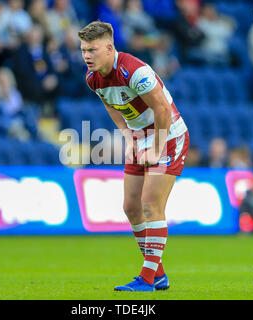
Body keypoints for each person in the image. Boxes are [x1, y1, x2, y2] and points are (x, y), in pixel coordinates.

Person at [79, 21, 189, 292]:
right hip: (141, 136)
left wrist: (156, 147)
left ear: (109, 48)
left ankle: (147, 279)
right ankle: (159, 274)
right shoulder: (93, 79)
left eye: (92, 50)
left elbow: (163, 109)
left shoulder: (135, 71)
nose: (86, 56)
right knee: (131, 206)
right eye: (83, 50)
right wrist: (128, 137)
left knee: (151, 204)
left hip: (168, 134)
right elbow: (111, 105)